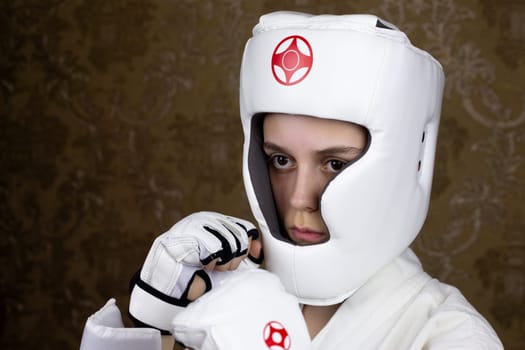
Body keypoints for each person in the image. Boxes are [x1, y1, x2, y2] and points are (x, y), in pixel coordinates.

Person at [79, 11, 504, 350]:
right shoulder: (223, 291)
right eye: (280, 159)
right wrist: (156, 318)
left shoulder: (450, 334)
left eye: (335, 164)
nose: (300, 199)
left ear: (407, 165)